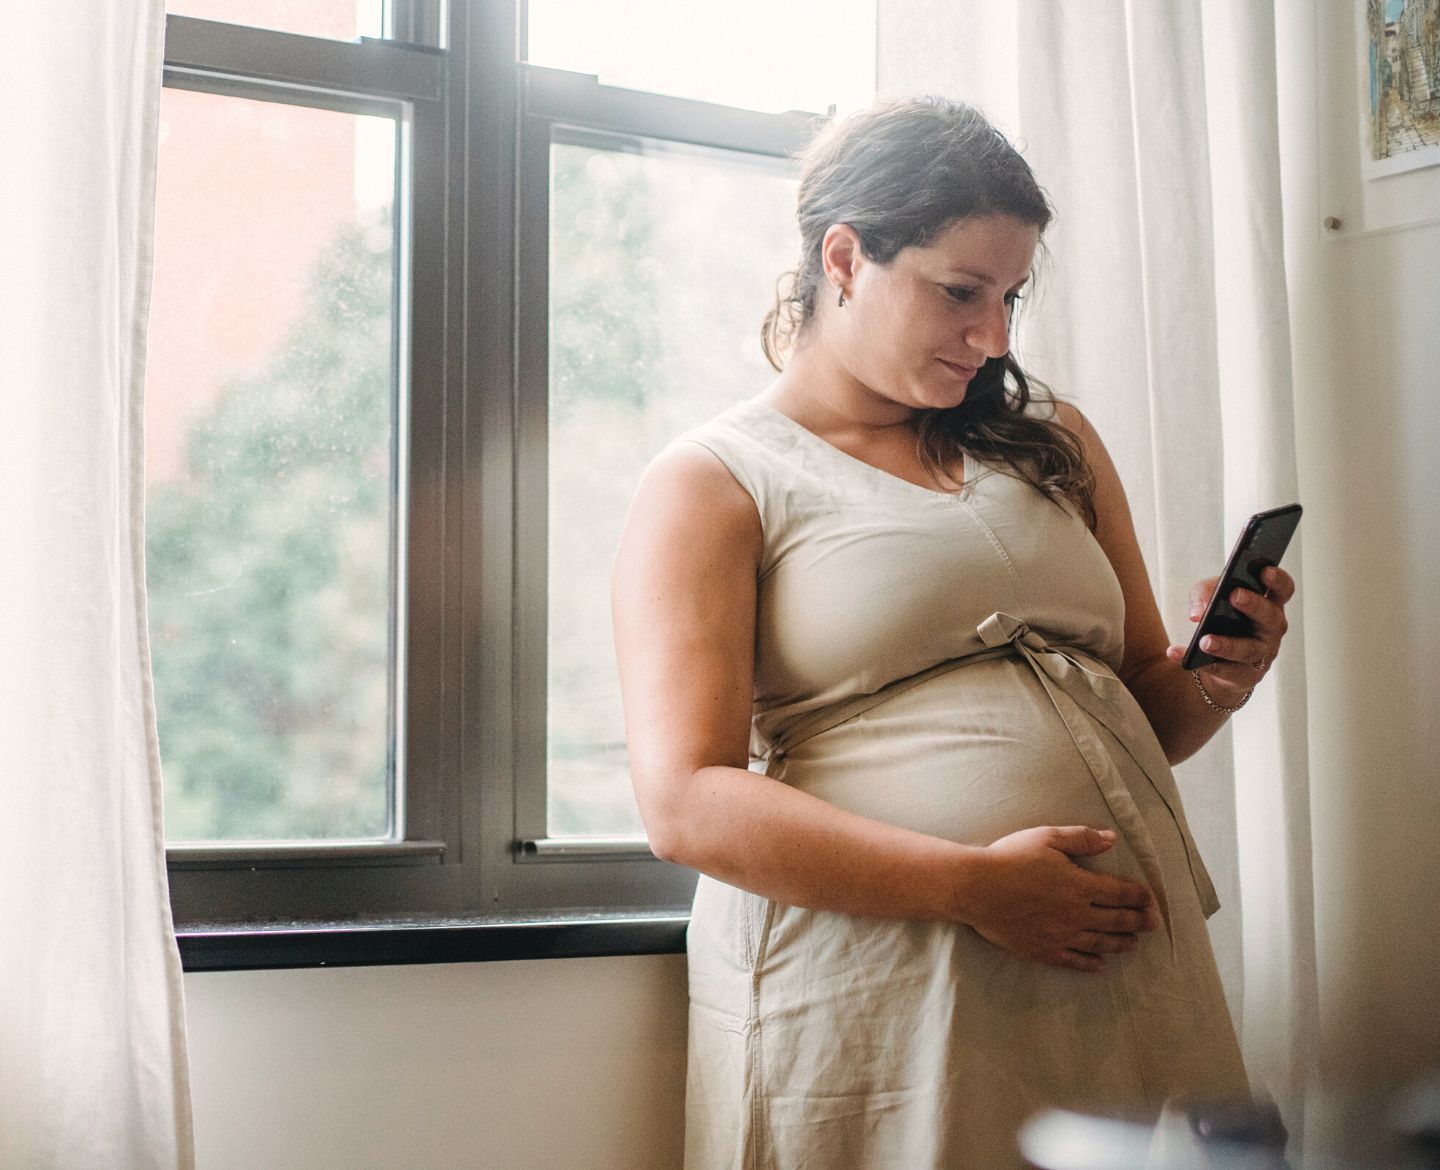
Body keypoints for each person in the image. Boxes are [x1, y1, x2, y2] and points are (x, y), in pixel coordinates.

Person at [611, 97, 1295, 1170]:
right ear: (844, 257)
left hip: (1110, 960)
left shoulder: (1051, 440)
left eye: (1012, 296)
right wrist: (971, 885)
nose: (994, 337)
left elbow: (1144, 714)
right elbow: (685, 802)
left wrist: (1221, 676)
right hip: (883, 972)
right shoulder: (714, 482)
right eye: (959, 292)